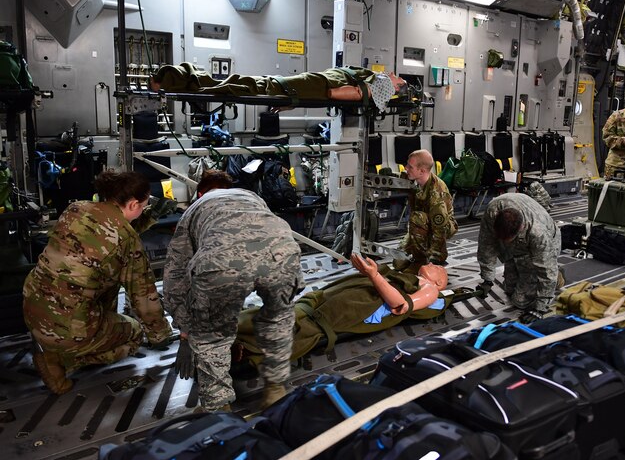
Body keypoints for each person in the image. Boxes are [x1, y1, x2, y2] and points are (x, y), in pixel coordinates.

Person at [163, 170, 303, 412]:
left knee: (212, 335)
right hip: (283, 253)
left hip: (221, 263)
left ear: (200, 193)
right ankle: (275, 390)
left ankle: (219, 409)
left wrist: (185, 330)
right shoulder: (251, 197)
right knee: (278, 319)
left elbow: (175, 276)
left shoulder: (194, 209)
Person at [23, 170, 173, 395]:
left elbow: (106, 235)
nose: (143, 209)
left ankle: (60, 349)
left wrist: (150, 216)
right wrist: (160, 335)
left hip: (32, 308)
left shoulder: (76, 209)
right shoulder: (128, 242)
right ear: (133, 204)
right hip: (68, 327)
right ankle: (61, 362)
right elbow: (144, 298)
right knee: (133, 335)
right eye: (143, 206)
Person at [233, 253, 449, 363]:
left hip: (361, 303)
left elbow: (401, 306)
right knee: (299, 312)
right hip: (352, 293)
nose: (433, 264)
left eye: (438, 267)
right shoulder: (409, 275)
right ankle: (239, 335)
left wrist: (374, 275)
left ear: (440, 283)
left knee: (301, 318)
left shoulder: (430, 289)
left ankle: (234, 332)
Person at [150, 63, 407, 113]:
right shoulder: (381, 84)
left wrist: (291, 102)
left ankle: (180, 77)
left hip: (311, 83)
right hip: (317, 87)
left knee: (262, 85)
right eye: (399, 81)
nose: (396, 78)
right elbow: (334, 94)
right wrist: (354, 97)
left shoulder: (375, 76)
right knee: (256, 86)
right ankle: (174, 77)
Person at [477, 193, 561, 322]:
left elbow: (547, 270)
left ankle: (559, 278)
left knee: (520, 302)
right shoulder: (492, 212)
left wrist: (540, 309)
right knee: (509, 290)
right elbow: (486, 245)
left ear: (521, 228)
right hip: (516, 249)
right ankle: (526, 273)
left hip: (544, 247)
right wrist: (487, 279)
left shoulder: (538, 233)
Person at [398, 149, 458, 268]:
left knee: (417, 218)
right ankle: (419, 252)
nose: (405, 168)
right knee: (398, 261)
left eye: (410, 167)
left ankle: (426, 258)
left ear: (422, 171)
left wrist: (434, 259)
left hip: (441, 227)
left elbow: (440, 229)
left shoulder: (436, 194)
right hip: (424, 223)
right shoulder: (417, 181)